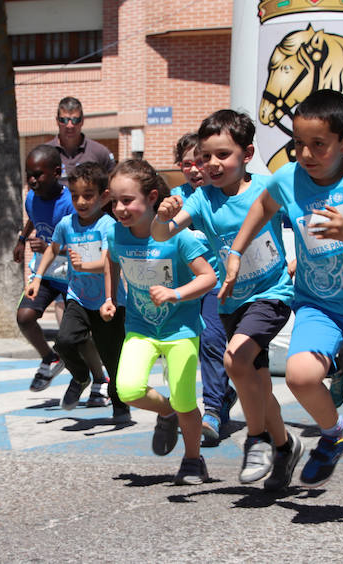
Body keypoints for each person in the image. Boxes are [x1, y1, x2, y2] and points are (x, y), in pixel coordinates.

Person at [225, 89, 343, 520]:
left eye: (318, 145)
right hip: (317, 303)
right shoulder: (287, 177)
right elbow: (263, 206)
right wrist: (236, 250)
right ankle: (335, 434)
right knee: (300, 375)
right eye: (298, 144)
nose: (306, 154)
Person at [153, 110, 300, 490]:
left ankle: (257, 441)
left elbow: (302, 219)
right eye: (205, 157)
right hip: (231, 301)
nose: (212, 164)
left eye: (222, 155)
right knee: (258, 386)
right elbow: (163, 234)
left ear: (247, 154)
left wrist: (300, 258)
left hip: (272, 294)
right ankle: (285, 447)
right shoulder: (202, 199)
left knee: (235, 358)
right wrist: (161, 216)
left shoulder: (267, 189)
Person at [101, 159, 216, 485]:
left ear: (152, 197)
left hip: (180, 329)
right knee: (128, 388)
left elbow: (207, 278)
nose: (120, 209)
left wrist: (175, 294)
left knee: (185, 400)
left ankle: (193, 460)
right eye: (114, 201)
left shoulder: (176, 237)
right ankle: (167, 412)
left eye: (128, 201)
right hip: (140, 327)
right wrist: (109, 298)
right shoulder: (114, 234)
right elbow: (111, 261)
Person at [26, 162, 130, 420]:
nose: (81, 202)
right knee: (64, 342)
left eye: (88, 195)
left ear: (104, 196)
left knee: (112, 357)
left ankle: (120, 406)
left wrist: (107, 295)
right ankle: (81, 377)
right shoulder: (66, 224)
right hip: (79, 298)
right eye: (75, 196)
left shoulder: (108, 226)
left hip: (109, 302)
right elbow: (52, 248)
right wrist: (37, 278)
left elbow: (110, 263)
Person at [166, 133, 237, 446]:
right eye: (186, 164)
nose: (194, 169)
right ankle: (219, 395)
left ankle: (212, 410)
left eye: (199, 161)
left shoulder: (221, 194)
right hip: (183, 286)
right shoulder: (175, 197)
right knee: (181, 347)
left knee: (211, 340)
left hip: (217, 284)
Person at [15, 144, 103, 392]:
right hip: (45, 272)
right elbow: (34, 216)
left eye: (38, 175)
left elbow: (83, 243)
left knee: (77, 335)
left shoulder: (71, 203)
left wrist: (51, 247)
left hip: (72, 275)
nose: (32, 180)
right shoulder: (32, 197)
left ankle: (99, 379)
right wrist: (22, 239)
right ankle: (49, 357)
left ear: (56, 172)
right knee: (25, 317)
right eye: (28, 174)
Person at [46, 97, 115, 185]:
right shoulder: (45, 154)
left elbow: (112, 186)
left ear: (82, 121)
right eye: (64, 120)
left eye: (75, 120)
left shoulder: (100, 152)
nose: (70, 125)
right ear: (57, 121)